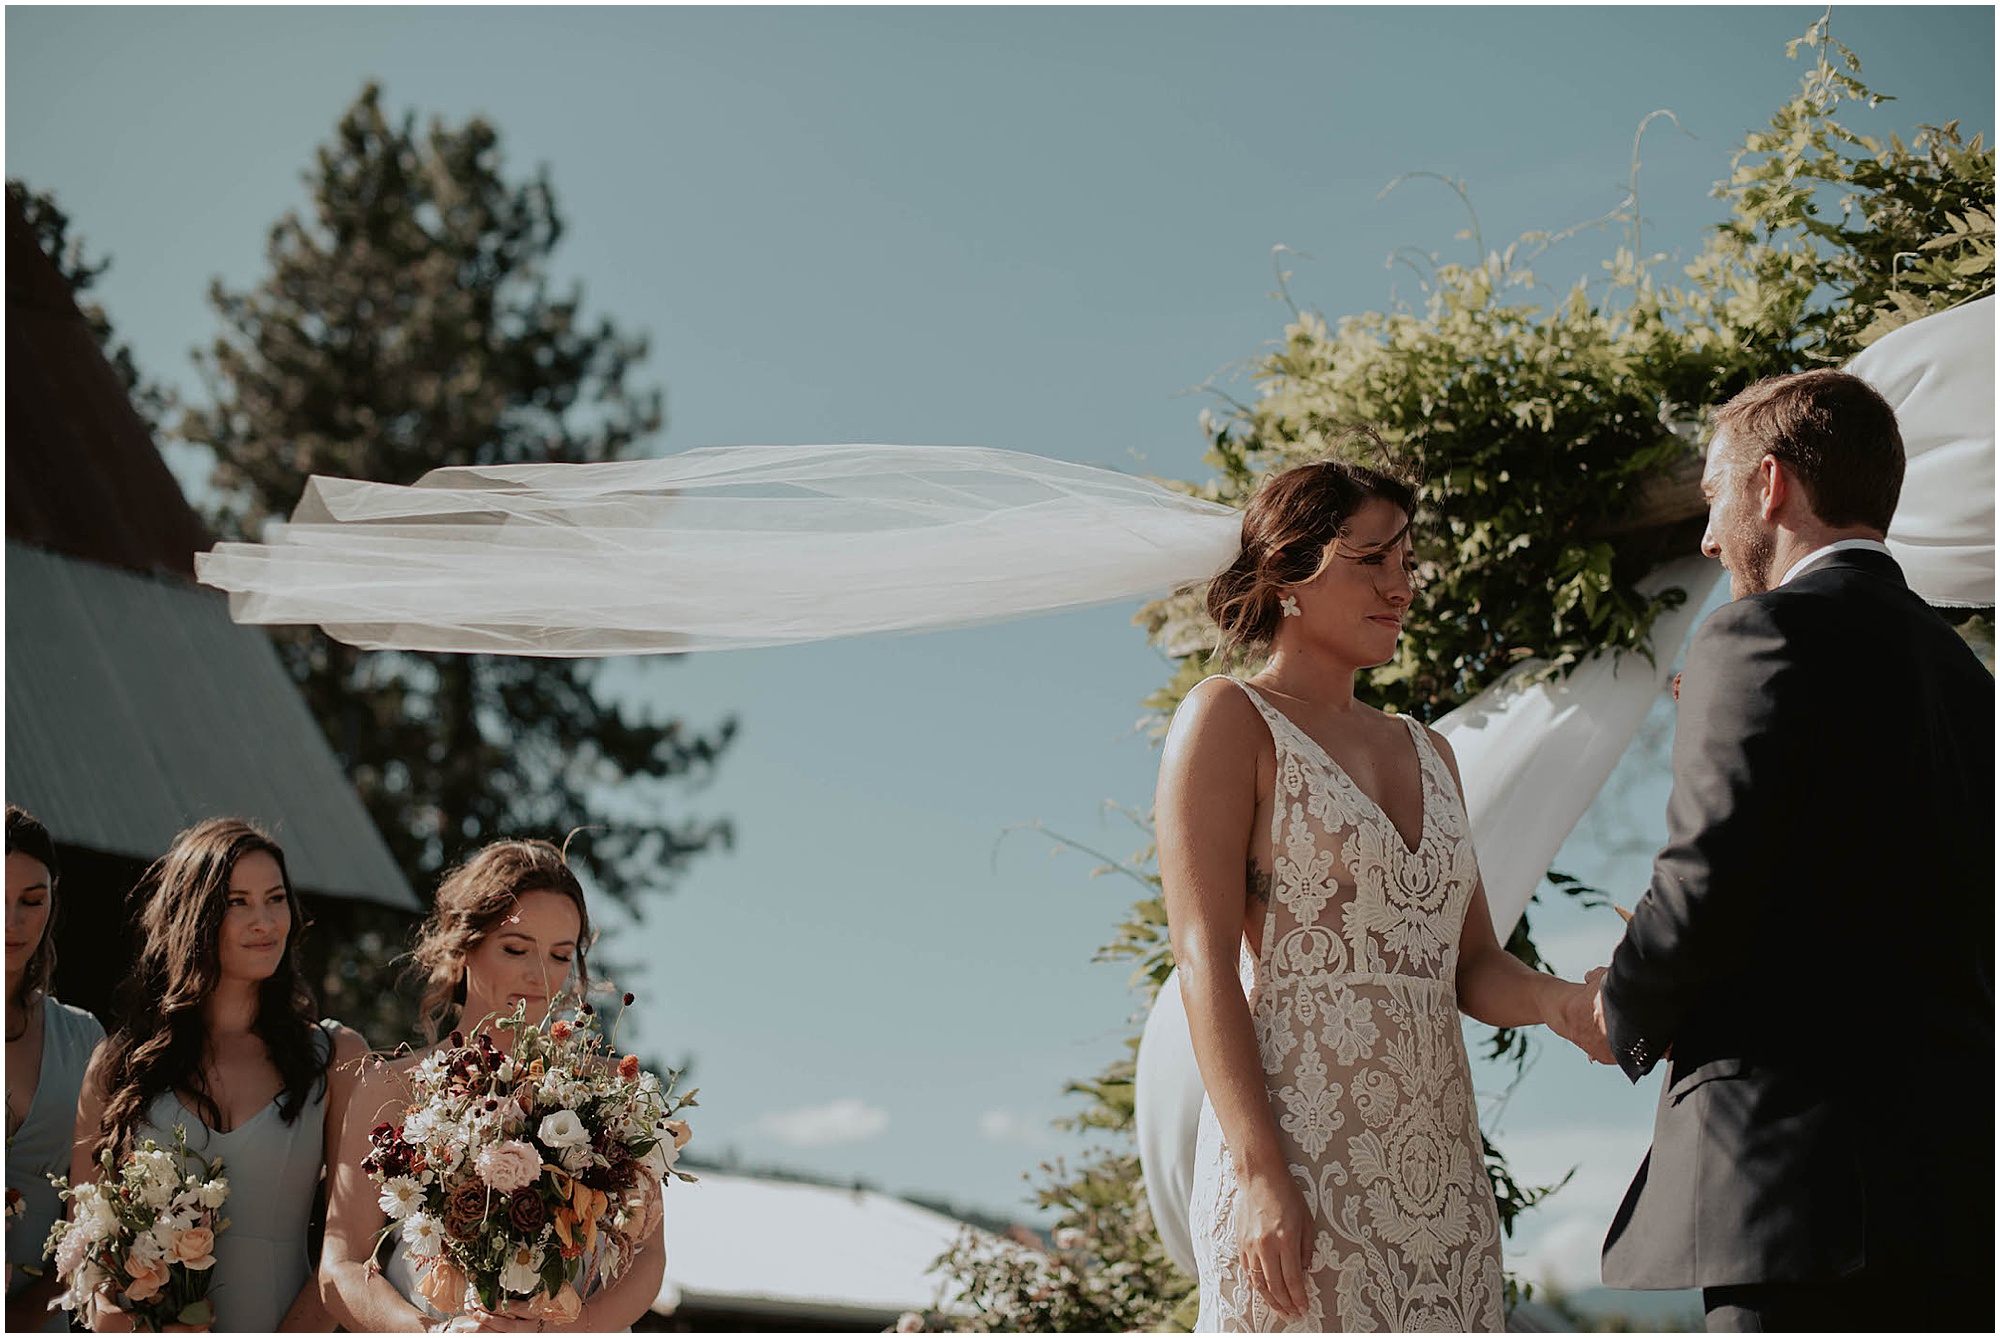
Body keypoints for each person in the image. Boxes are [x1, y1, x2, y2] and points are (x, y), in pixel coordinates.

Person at [1160, 456, 1611, 1333]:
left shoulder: (1431, 753)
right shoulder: (1227, 719)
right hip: (1297, 1160)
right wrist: (1260, 1175)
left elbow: (1470, 964)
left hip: (1437, 1175)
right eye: (1374, 559)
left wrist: (1566, 1004)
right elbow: (1201, 960)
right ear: (1290, 570)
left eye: (1407, 562)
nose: (1401, 586)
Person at [1589, 368, 1995, 1332]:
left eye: (1713, 499)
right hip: (1961, 1196)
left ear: (1769, 485)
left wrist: (1621, 1004)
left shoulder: (1757, 634)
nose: (1706, 536)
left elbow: (1704, 880)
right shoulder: (1966, 675)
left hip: (1795, 1191)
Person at [319, 839, 665, 1333]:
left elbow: (648, 1257)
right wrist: (430, 1333)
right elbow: (340, 1266)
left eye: (560, 955)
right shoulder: (388, 1086)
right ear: (465, 946)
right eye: (516, 948)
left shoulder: (611, 1090)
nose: (539, 975)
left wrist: (557, 1333)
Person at [72, 818, 366, 1332]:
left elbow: (355, 1248)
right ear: (195, 916)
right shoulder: (120, 1064)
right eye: (239, 902)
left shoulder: (334, 1056)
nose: (266, 922)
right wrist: (119, 1316)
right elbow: (85, 1246)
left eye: (276, 899)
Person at [6, 806, 106, 1332]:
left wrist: (27, 1316)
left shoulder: (84, 1039)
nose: (12, 923)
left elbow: (92, 1214)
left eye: (31, 901)